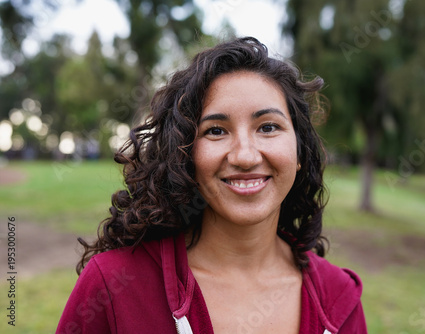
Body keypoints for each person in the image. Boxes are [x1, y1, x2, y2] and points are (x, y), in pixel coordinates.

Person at [57, 37, 367, 334]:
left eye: (268, 127)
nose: (245, 156)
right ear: (185, 154)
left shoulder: (339, 300)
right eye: (216, 130)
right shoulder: (112, 286)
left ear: (300, 151)